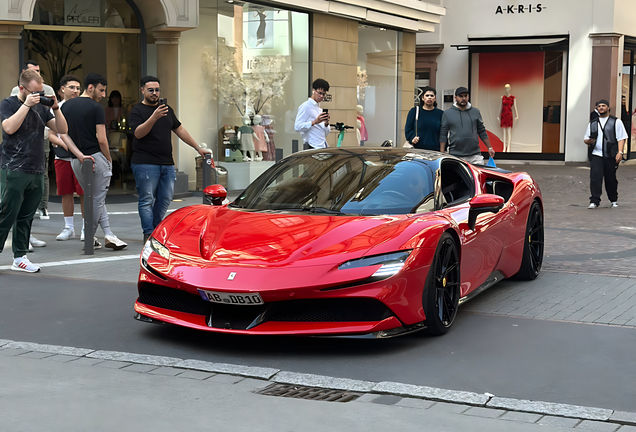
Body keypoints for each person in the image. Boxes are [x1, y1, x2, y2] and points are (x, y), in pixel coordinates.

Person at [129, 76, 213, 243]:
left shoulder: (167, 109)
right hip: (145, 163)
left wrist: (198, 147)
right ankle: (149, 233)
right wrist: (154, 117)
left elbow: (180, 130)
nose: (154, 93)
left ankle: (155, 229)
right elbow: (138, 133)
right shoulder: (137, 110)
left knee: (165, 198)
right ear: (142, 90)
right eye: (150, 90)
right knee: (147, 199)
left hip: (166, 163)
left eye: (157, 90)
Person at [0, 69, 68, 272]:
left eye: (41, 92)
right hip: (14, 168)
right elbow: (9, 128)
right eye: (34, 92)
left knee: (26, 215)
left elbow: (63, 130)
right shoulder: (9, 104)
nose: (38, 96)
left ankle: (19, 257)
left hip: (37, 169)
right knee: (6, 214)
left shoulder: (42, 107)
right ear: (22, 88)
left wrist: (56, 108)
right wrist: (26, 105)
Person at [60, 72, 127, 250]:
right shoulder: (96, 107)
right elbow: (102, 139)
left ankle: (108, 234)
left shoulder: (66, 106)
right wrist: (109, 158)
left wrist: (78, 154)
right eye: (102, 90)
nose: (104, 95)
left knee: (96, 198)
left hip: (76, 160)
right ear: (91, 87)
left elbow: (63, 134)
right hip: (96, 157)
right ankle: (89, 238)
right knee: (97, 199)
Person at [11, 60, 56, 226]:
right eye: (33, 71)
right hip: (20, 143)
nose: (37, 73)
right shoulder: (16, 93)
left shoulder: (48, 89)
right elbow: (10, 123)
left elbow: (58, 125)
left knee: (42, 174)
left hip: (41, 137)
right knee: (21, 179)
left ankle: (43, 207)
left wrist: (56, 109)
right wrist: (27, 103)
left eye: (38, 71)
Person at [47, 74, 85, 241]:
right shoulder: (56, 107)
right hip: (62, 158)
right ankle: (68, 227)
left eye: (78, 87)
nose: (75, 90)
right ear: (62, 89)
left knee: (84, 192)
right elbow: (51, 134)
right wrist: (64, 144)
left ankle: (86, 227)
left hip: (81, 157)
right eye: (72, 87)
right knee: (65, 192)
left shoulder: (85, 106)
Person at [583, 99, 627, 209]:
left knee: (610, 178)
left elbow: (621, 138)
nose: (601, 107)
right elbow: (585, 138)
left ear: (608, 108)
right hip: (596, 154)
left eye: (603, 105)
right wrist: (588, 141)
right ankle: (594, 200)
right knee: (595, 178)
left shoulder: (616, 122)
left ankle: (613, 200)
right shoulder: (593, 123)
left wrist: (620, 152)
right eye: (599, 106)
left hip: (610, 154)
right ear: (597, 109)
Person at [439, 86, 495, 165]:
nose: (464, 98)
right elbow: (443, 133)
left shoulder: (475, 112)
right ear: (455, 97)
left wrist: (489, 147)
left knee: (477, 177)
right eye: (461, 96)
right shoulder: (447, 113)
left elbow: (481, 130)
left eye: (466, 96)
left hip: (475, 155)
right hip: (456, 155)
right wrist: (442, 151)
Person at [295, 78, 330, 149]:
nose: (321, 96)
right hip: (312, 146)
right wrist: (314, 122)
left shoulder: (319, 109)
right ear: (313, 90)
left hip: (323, 146)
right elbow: (297, 127)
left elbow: (325, 133)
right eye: (319, 93)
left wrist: (326, 123)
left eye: (323, 94)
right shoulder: (306, 106)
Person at [404, 86, 443, 151]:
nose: (429, 97)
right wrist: (412, 138)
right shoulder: (415, 111)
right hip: (418, 149)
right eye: (427, 95)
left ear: (435, 98)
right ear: (422, 98)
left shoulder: (440, 114)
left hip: (435, 150)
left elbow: (443, 133)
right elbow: (408, 129)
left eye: (432, 95)